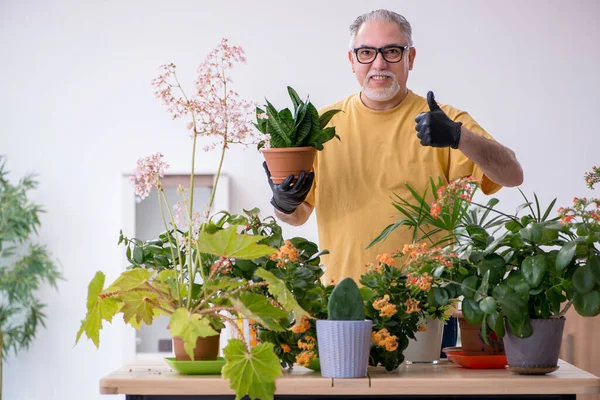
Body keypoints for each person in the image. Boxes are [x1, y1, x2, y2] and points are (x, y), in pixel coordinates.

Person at [263, 9, 523, 284]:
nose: (379, 64)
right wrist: (283, 204)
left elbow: (513, 175)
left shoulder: (443, 122)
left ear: (410, 58)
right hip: (342, 301)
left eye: (392, 52)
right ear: (352, 60)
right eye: (366, 52)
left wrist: (459, 137)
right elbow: (298, 215)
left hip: (425, 304)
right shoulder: (322, 127)